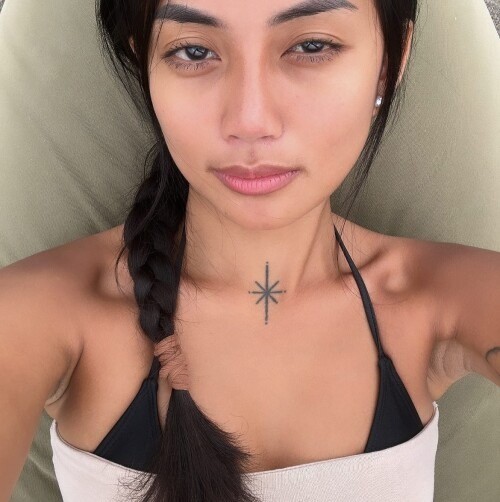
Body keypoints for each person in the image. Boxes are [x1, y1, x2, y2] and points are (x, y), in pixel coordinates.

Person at [1, 0, 499, 501]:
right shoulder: (34, 315)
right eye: (194, 52)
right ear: (146, 69)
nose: (251, 120)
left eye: (311, 46)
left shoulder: (450, 299)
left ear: (387, 66)